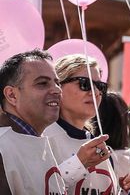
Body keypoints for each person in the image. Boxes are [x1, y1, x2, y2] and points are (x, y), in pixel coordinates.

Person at [0, 50, 118, 194]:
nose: (57, 90)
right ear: (11, 95)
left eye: (100, 86)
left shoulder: (37, 139)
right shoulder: (6, 145)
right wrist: (78, 164)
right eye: (84, 83)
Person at [47, 54, 106, 140]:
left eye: (100, 86)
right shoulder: (43, 137)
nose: (96, 92)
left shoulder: (94, 143)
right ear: (58, 86)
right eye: (85, 84)